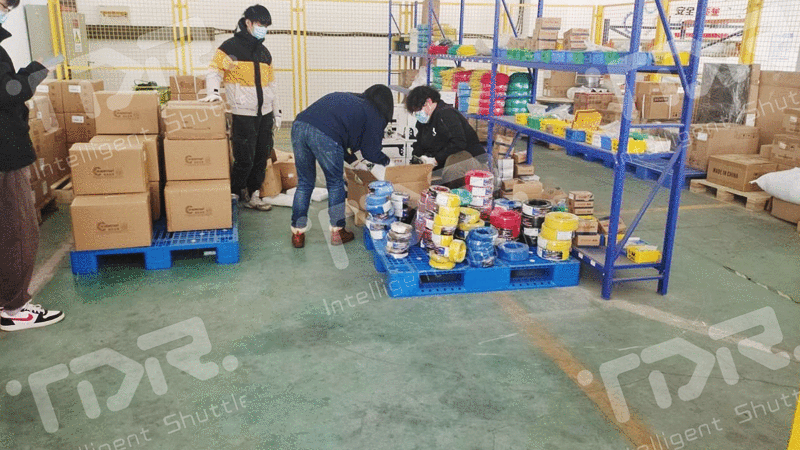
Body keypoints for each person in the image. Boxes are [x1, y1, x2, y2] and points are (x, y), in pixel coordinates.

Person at [0, 0, 65, 331]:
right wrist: (37, 69)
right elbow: (9, 92)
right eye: (4, 5)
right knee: (18, 231)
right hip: (4, 154)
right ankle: (14, 309)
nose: (6, 12)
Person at [290, 84, 394, 248]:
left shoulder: (352, 100)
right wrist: (387, 162)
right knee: (335, 183)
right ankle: (338, 231)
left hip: (299, 126)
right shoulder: (374, 112)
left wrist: (354, 161)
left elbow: (339, 135)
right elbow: (370, 152)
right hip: (324, 134)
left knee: (304, 182)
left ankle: (297, 233)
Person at [204, 4, 280, 211]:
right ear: (248, 23)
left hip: (264, 113)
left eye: (266, 26)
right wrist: (213, 92)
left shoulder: (264, 53)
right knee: (244, 157)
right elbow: (214, 71)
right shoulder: (230, 48)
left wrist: (277, 112)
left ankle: (254, 194)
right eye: (260, 24)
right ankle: (235, 193)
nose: (263, 29)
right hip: (243, 113)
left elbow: (272, 85)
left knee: (261, 155)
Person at [405, 86, 489, 188]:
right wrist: (418, 160)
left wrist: (435, 160)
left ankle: (458, 195)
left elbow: (459, 142)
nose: (418, 114)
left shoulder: (446, 114)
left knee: (453, 167)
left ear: (429, 102)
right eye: (415, 112)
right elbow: (420, 144)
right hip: (444, 160)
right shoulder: (424, 121)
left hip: (471, 159)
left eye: (419, 110)